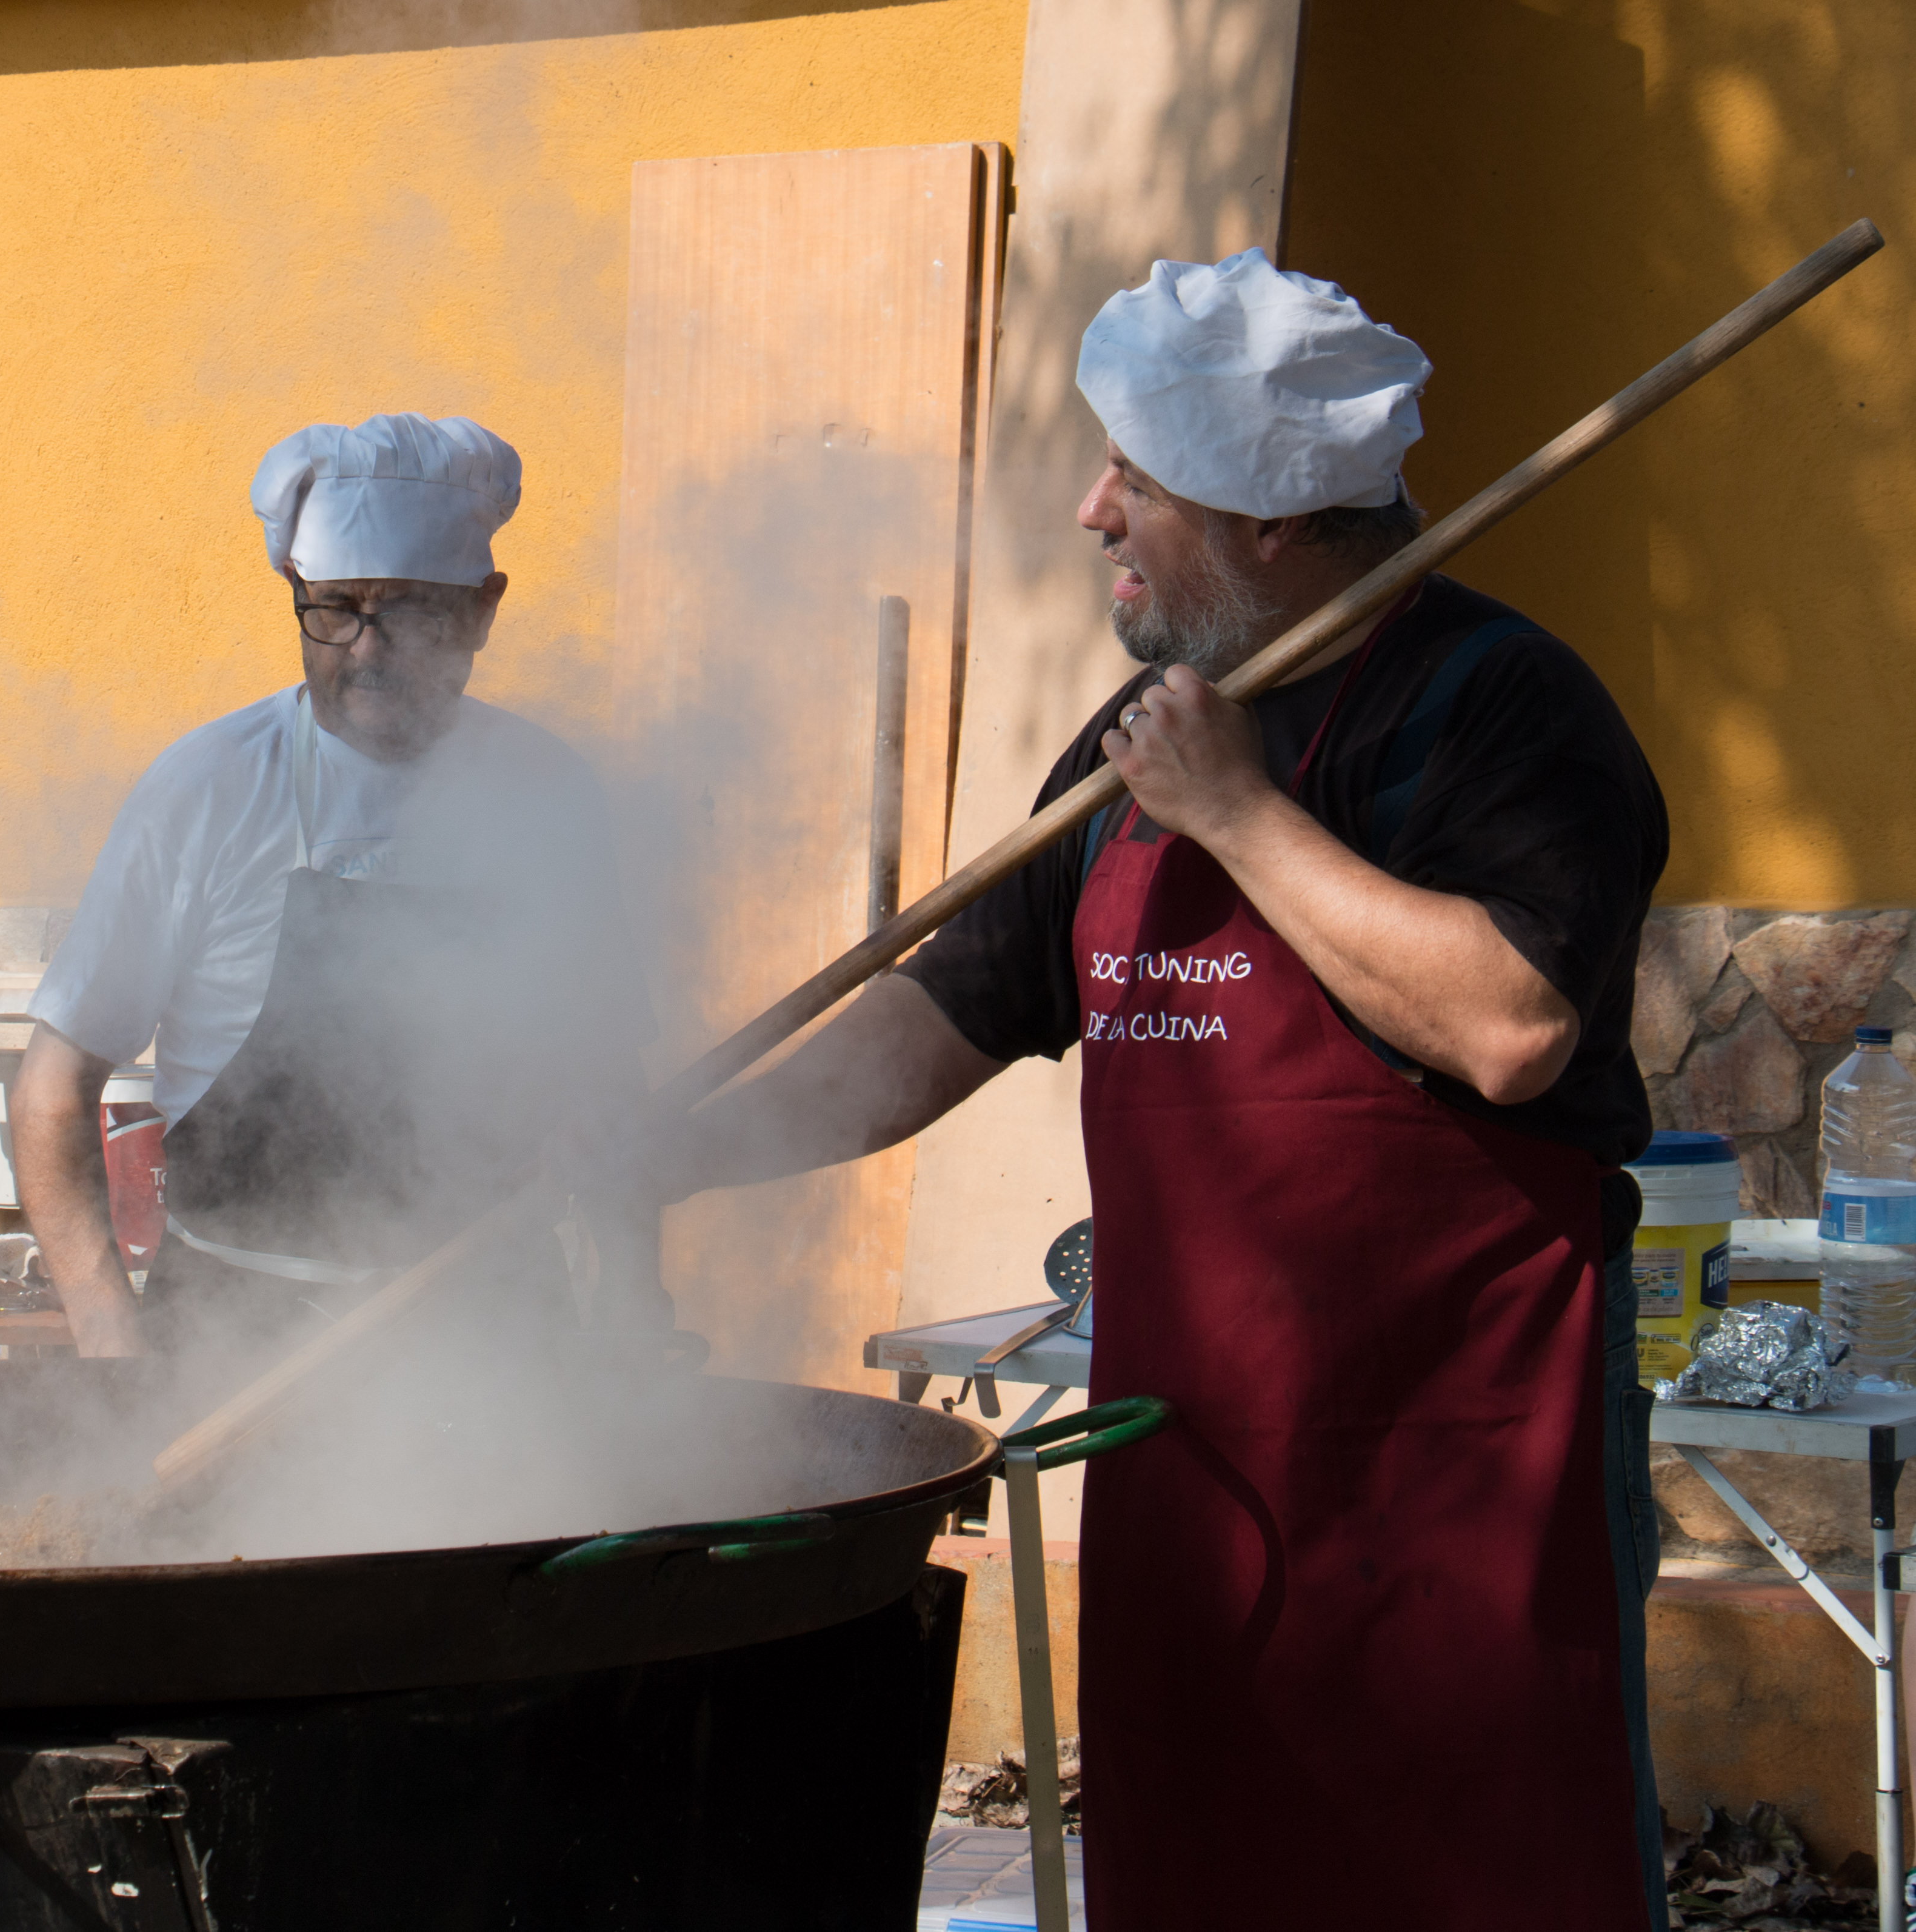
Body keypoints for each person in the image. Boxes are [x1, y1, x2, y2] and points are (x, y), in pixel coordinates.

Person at [617, 253, 1670, 1931]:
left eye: (1136, 480)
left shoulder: (1497, 706)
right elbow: (940, 1018)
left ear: (1270, 517)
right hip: (1199, 1469)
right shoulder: (1139, 740)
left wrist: (1237, 815)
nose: (1092, 510)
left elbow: (1508, 1024)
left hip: (1466, 1457)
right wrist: (668, 1150)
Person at [15, 412, 654, 1366]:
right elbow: (53, 1093)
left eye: (412, 613)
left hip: (497, 1343)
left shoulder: (551, 796)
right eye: (336, 608)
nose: (366, 649)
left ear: (483, 610)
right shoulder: (208, 789)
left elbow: (606, 1092)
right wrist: (111, 1345)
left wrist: (638, 1303)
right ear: (296, 591)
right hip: (234, 1340)